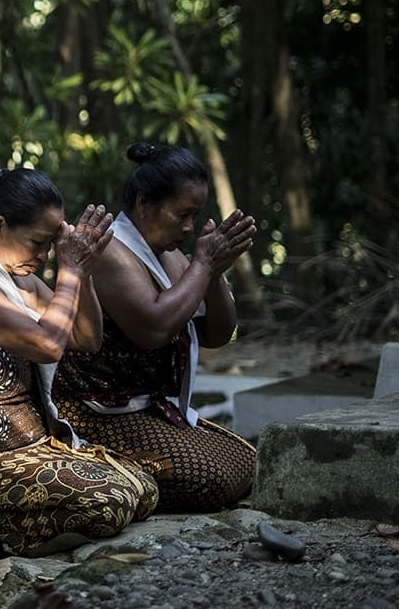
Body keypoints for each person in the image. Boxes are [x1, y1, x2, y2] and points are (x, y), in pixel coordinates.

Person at [0, 167, 158, 570]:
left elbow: (86, 338)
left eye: (51, 245)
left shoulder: (22, 281)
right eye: (38, 243)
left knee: (144, 487)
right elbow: (48, 345)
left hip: (28, 448)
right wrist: (70, 271)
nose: (45, 255)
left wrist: (84, 272)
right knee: (111, 502)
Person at [52, 142, 258, 512]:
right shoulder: (110, 250)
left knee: (249, 461)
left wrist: (213, 276)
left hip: (149, 412)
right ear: (144, 203)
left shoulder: (173, 256)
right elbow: (154, 329)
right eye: (182, 214)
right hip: (96, 415)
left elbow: (216, 335)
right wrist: (203, 265)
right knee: (208, 479)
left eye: (195, 216)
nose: (188, 227)